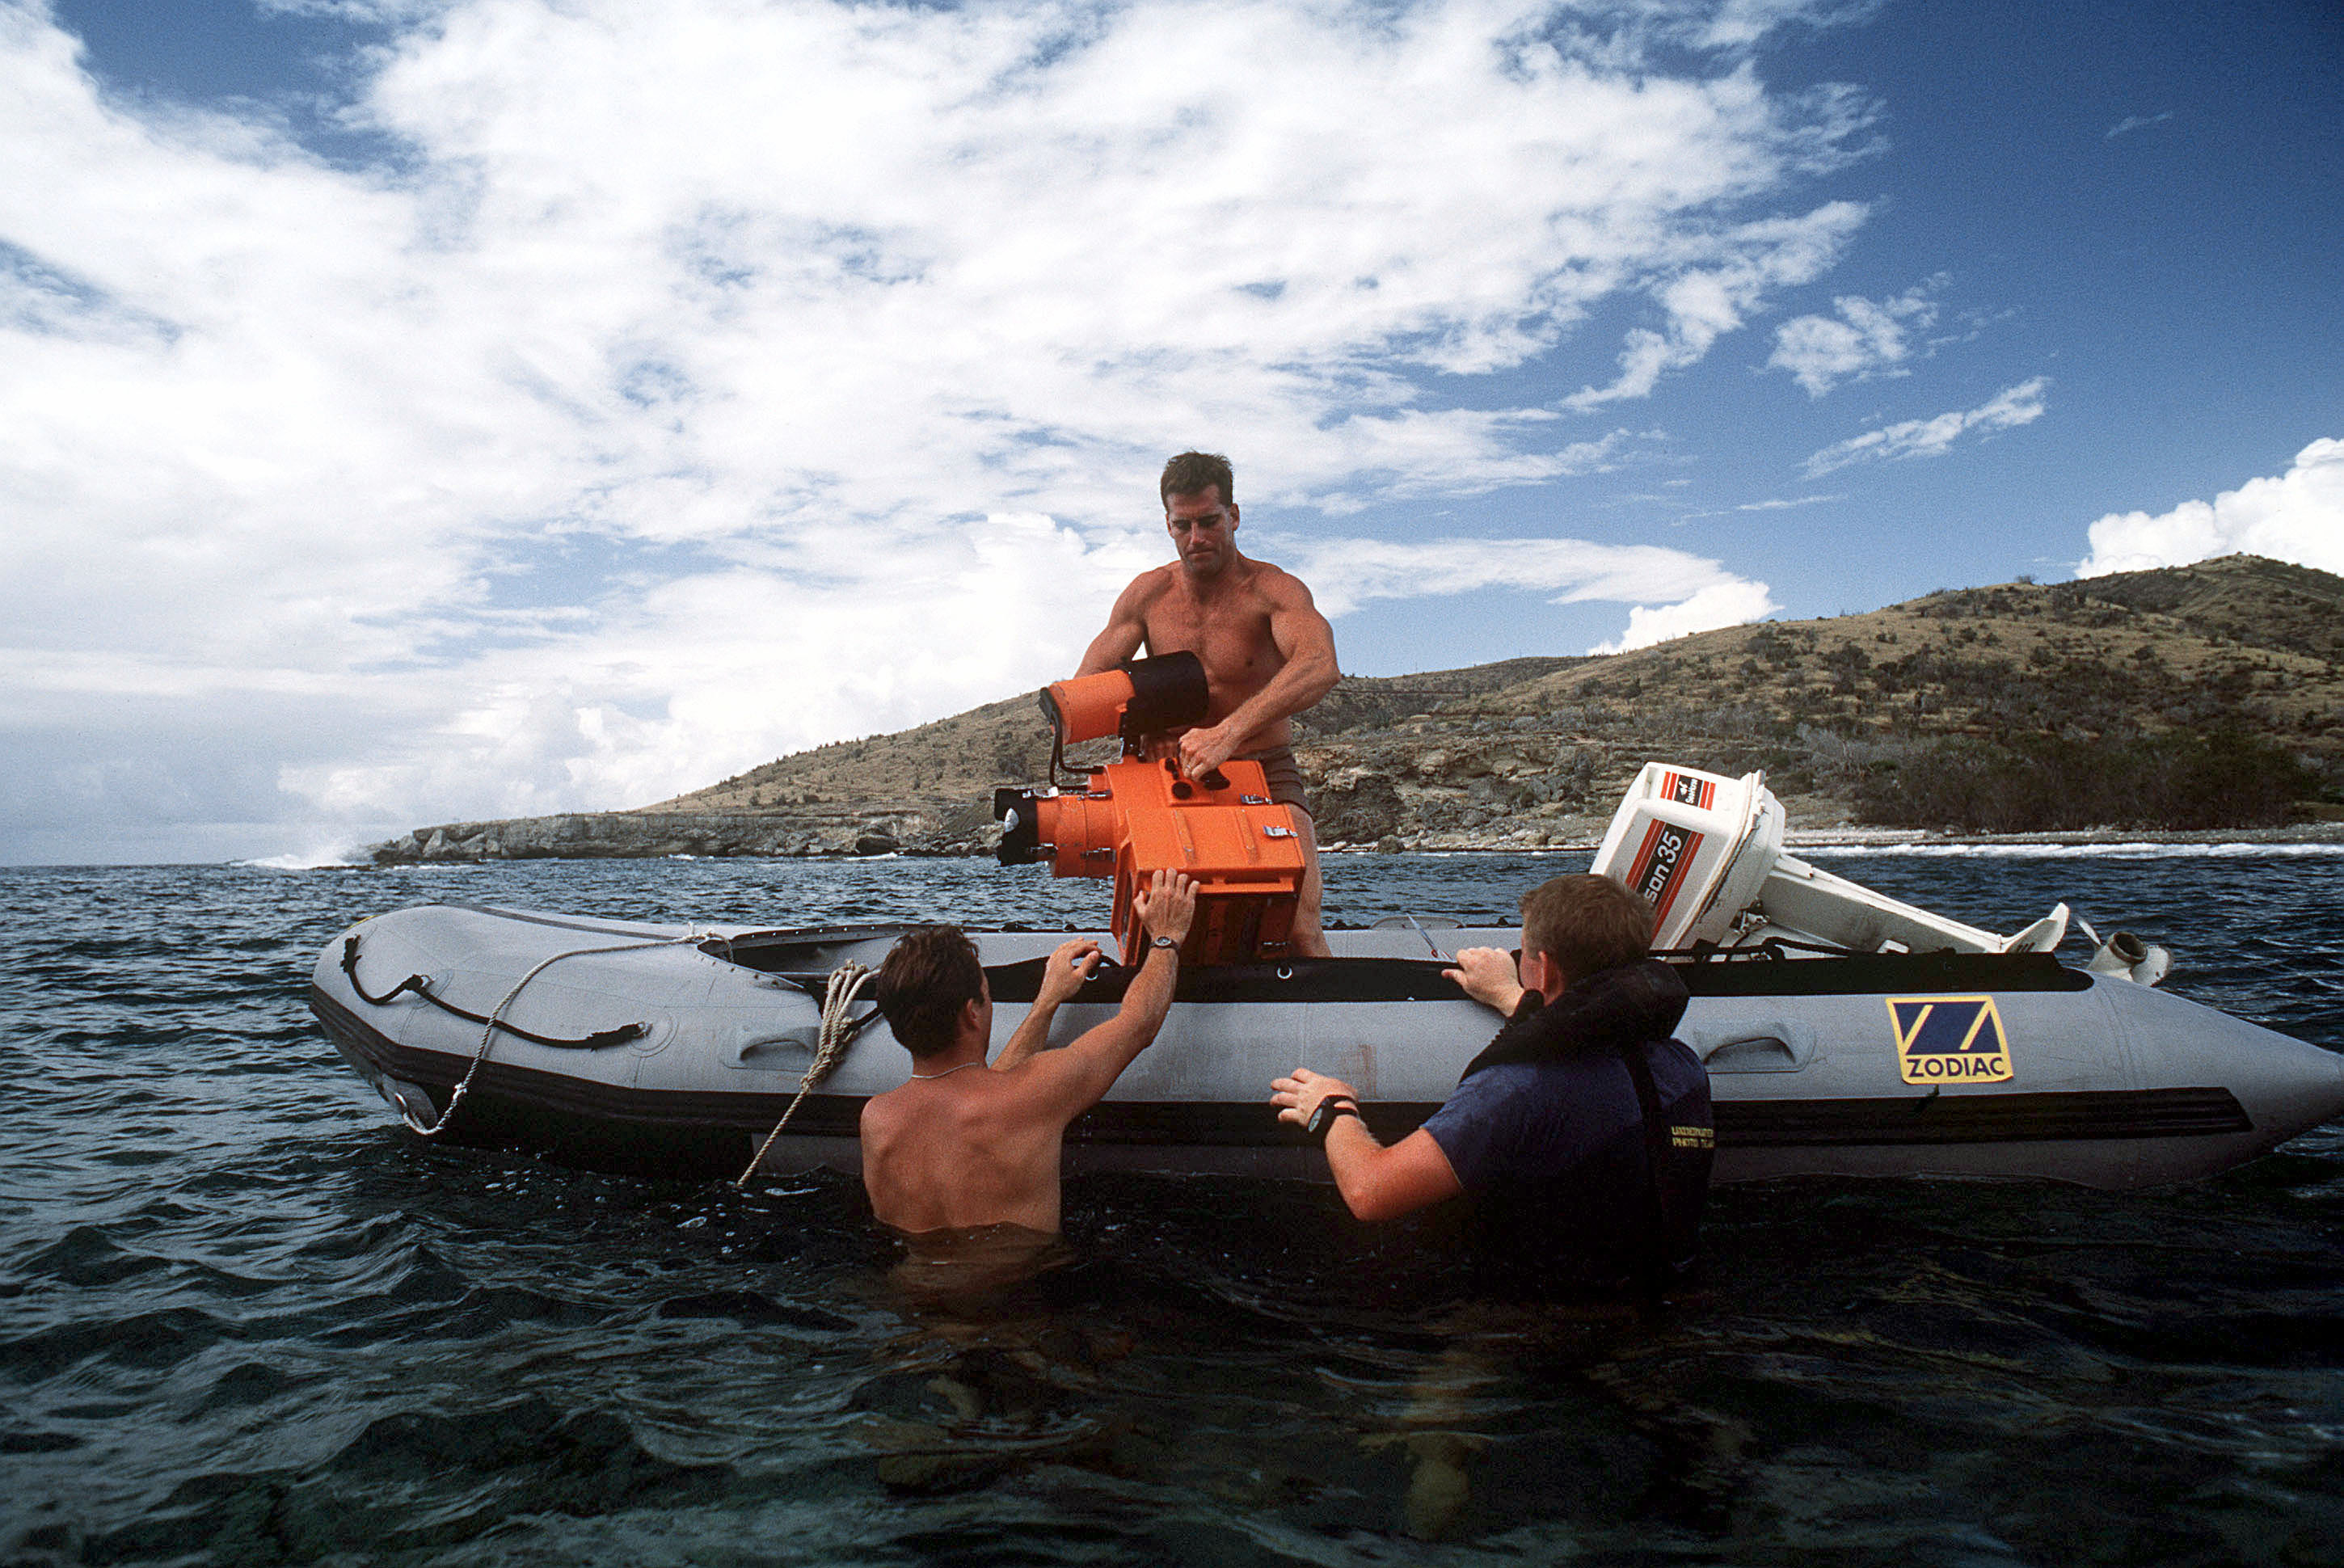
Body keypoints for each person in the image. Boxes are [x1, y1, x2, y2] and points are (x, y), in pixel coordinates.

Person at [1269, 874, 1714, 1297]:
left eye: (1525, 956)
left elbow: (1370, 1192)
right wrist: (1511, 997)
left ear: (1546, 971)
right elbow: (1590, 1037)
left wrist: (1333, 1109)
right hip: (1660, 1296)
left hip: (1532, 1327)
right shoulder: (1682, 1068)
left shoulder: (1515, 1091)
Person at [1077, 450, 1340, 957]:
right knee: (1159, 929)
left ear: (1234, 516)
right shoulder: (1147, 594)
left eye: (1209, 522)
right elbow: (1087, 686)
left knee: (1301, 927)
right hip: (1169, 780)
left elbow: (1319, 665)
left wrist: (1229, 733)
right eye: (1183, 525)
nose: (1197, 538)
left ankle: (1332, 1030)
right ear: (1168, 525)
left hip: (1263, 768)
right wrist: (1141, 715)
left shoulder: (1273, 590)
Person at [860, 869, 1198, 1239]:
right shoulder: (1033, 1094)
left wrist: (1046, 1004)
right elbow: (1140, 1023)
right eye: (986, 996)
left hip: (911, 1290)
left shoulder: (877, 1119)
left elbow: (982, 1091)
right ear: (972, 1012)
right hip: (1016, 1292)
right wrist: (1167, 938)